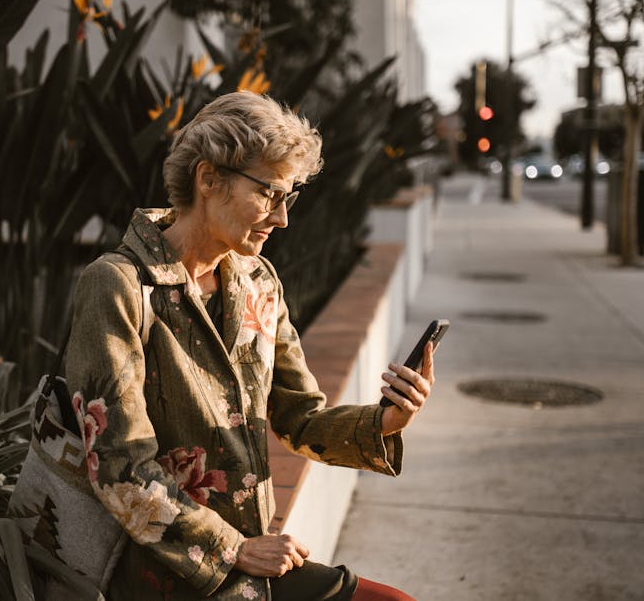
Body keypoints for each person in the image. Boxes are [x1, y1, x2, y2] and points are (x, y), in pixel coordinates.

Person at [66, 90, 434, 600]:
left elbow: (300, 419)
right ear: (208, 179)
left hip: (259, 562)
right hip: (169, 574)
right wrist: (232, 549)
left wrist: (384, 423)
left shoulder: (258, 280)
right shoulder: (118, 285)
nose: (282, 218)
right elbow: (118, 464)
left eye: (290, 197)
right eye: (270, 194)